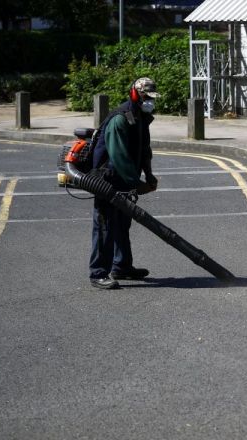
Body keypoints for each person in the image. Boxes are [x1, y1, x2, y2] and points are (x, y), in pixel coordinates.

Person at [88, 77, 160, 290]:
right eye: (146, 97)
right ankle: (98, 273)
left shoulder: (141, 117)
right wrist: (137, 183)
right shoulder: (120, 119)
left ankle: (121, 266)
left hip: (124, 180)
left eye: (152, 98)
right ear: (136, 94)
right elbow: (119, 158)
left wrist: (149, 174)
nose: (150, 101)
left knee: (121, 224)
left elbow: (144, 150)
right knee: (104, 226)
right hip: (107, 179)